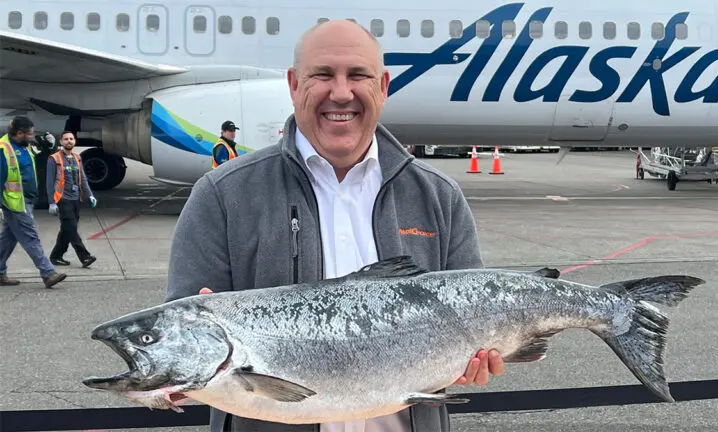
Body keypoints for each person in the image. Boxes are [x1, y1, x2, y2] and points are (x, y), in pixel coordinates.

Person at [165, 20, 504, 432]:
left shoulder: (439, 196)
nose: (341, 92)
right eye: (322, 75)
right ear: (294, 84)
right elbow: (177, 354)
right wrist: (175, 379)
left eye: (358, 75)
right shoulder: (221, 195)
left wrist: (476, 356)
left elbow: (474, 320)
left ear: (383, 86)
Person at [0, 116, 67, 288]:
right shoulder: (4, 150)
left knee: (8, 239)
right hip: (15, 203)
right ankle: (48, 273)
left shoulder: (23, 145)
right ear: (19, 133)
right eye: (29, 134)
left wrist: (48, 148)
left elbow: (35, 164)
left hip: (27, 200)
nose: (31, 137)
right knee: (31, 238)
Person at [46, 130, 97, 268]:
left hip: (76, 198)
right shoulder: (54, 159)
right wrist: (51, 202)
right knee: (72, 228)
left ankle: (56, 256)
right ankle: (85, 257)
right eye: (66, 139)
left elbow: (83, 178)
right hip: (62, 198)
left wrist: (90, 195)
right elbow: (49, 182)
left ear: (74, 141)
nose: (69, 141)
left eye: (71, 139)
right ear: (61, 142)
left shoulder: (77, 158)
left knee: (67, 229)